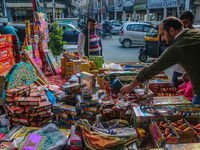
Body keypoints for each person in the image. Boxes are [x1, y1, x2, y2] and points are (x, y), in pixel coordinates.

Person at [120, 17, 200, 105]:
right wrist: (189, 71)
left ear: (171, 31)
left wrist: (131, 86)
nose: (162, 39)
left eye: (162, 34)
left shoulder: (177, 47)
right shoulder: (195, 32)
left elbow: (151, 70)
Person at [172, 10, 195, 89]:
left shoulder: (195, 36)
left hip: (188, 75)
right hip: (177, 71)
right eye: (181, 23)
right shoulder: (179, 34)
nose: (183, 26)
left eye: (185, 22)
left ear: (192, 21)